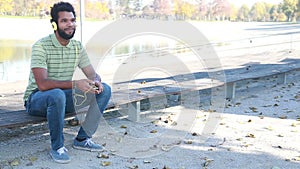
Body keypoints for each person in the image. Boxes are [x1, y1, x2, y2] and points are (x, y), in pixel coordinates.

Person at [23, 1, 111, 164]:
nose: (69, 25)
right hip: (36, 100)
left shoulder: (77, 47)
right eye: (64, 21)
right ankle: (57, 147)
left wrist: (96, 82)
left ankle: (83, 139)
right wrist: (75, 84)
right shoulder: (41, 46)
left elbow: (92, 74)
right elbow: (42, 84)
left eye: (72, 20)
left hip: (62, 98)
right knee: (56, 95)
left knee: (105, 90)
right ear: (54, 24)